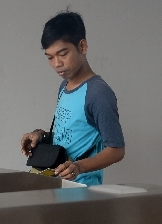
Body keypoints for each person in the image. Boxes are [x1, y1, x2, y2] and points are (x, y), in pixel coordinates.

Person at [20, 11, 125, 185]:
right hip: (57, 187)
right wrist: (41, 136)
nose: (56, 63)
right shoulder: (65, 86)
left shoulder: (98, 93)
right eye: (50, 57)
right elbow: (73, 134)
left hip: (82, 191)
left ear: (82, 47)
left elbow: (117, 149)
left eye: (63, 54)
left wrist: (79, 167)